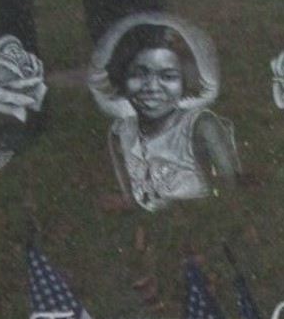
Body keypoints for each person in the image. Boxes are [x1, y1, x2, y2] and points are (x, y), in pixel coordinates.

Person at [87, 13, 240, 212]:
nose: (152, 87)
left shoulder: (200, 126)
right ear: (122, 79)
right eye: (139, 74)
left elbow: (229, 188)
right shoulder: (121, 133)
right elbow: (131, 195)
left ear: (186, 82)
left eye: (168, 76)